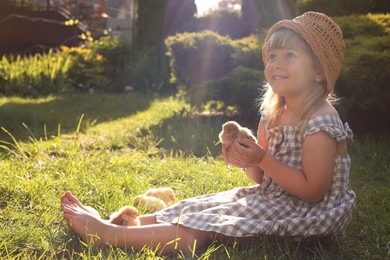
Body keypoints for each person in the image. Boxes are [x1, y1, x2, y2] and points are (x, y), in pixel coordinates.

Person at [60, 11, 356, 254]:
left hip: (304, 214)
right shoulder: (274, 113)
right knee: (198, 207)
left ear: (319, 72)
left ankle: (108, 235)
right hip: (271, 200)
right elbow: (262, 179)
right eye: (272, 56)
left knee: (204, 228)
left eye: (289, 55)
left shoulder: (320, 121)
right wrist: (248, 158)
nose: (275, 64)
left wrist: (263, 158)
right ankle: (126, 223)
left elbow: (312, 191)